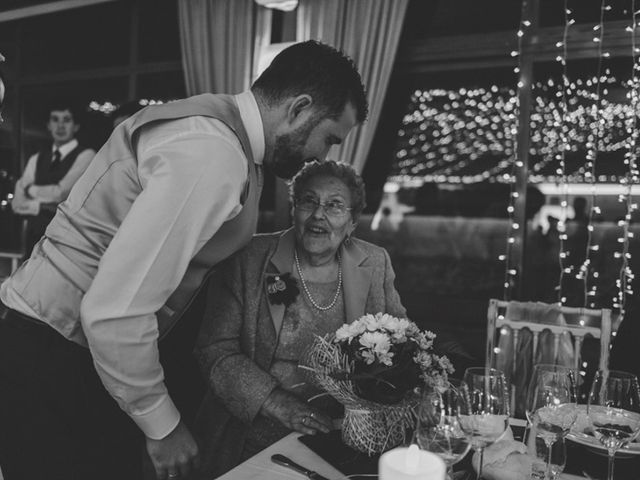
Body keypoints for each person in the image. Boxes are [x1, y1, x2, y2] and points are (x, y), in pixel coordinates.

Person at [0, 40, 367, 480]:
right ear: (298, 108)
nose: (324, 155)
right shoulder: (213, 154)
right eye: (329, 137)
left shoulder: (211, 125)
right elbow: (115, 312)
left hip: (60, 347)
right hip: (55, 356)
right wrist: (163, 425)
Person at [193, 160, 407, 477]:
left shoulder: (374, 262)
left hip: (344, 435)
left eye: (334, 206)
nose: (318, 214)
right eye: (309, 201)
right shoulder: (249, 258)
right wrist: (277, 403)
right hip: (255, 433)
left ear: (352, 221)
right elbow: (215, 348)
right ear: (294, 209)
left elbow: (400, 343)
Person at [10, 101, 95, 257]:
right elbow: (17, 203)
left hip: (66, 239)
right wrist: (43, 207)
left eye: (66, 120)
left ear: (76, 126)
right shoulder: (36, 158)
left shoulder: (87, 156)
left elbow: (60, 193)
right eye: (55, 120)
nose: (60, 126)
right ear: (48, 125)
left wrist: (30, 190)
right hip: (34, 239)